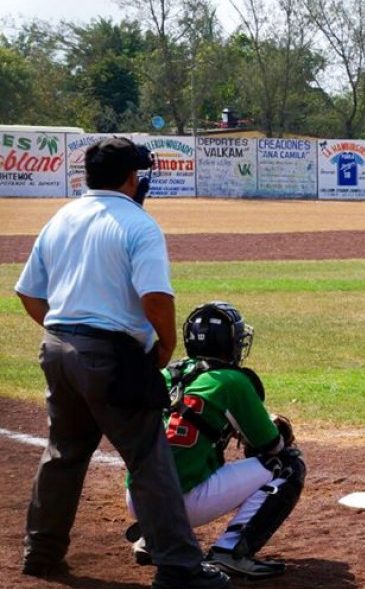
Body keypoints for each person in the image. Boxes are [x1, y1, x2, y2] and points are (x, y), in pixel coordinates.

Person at [13, 137, 230, 589]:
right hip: (111, 355)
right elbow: (155, 296)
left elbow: (28, 292)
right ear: (133, 178)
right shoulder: (137, 223)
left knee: (63, 454)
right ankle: (179, 567)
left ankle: (41, 552)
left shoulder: (62, 216)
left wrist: (64, 334)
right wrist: (166, 346)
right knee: (149, 460)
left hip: (58, 349)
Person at [127, 302, 306, 581]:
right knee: (287, 466)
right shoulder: (231, 381)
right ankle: (231, 553)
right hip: (183, 502)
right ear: (228, 342)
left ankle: (155, 539)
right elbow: (272, 445)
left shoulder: (166, 374)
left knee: (174, 457)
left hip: (137, 497)